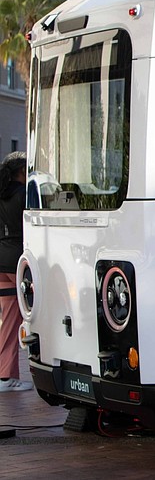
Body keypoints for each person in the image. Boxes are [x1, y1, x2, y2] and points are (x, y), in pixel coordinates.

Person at [0, 151, 32, 392]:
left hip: (1, 261)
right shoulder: (24, 195)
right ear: (22, 172)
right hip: (18, 261)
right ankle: (7, 375)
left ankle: (6, 374)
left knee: (9, 320)